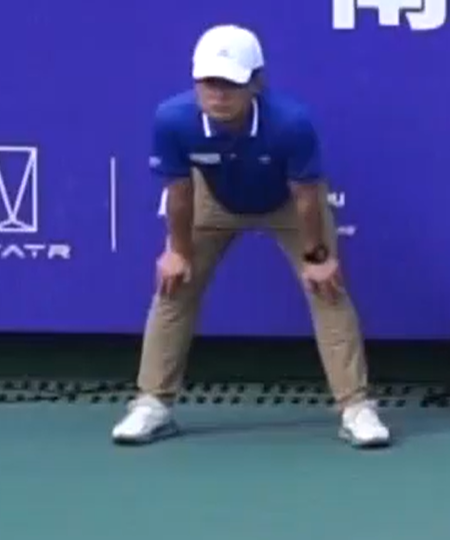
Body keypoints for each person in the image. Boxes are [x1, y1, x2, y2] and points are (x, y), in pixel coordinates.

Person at [111, 23, 390, 449]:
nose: (218, 95)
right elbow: (180, 193)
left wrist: (317, 258)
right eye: (209, 83)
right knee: (174, 285)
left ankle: (355, 407)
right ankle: (153, 403)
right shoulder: (173, 120)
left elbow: (307, 197)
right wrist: (178, 252)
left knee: (327, 288)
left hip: (287, 203)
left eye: (230, 84)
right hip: (212, 201)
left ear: (256, 84)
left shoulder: (291, 123)